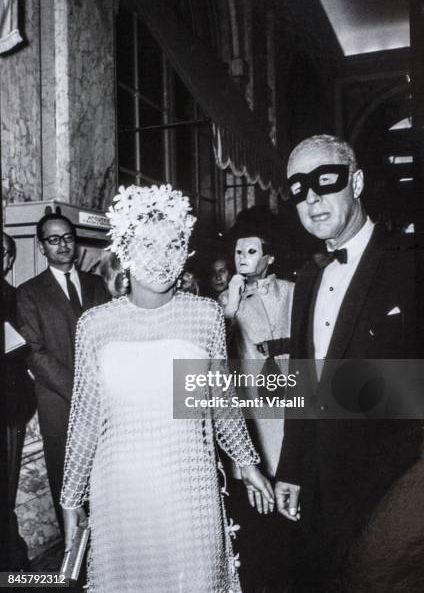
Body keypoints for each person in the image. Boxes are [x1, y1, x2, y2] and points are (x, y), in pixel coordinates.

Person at [60, 184, 274, 593]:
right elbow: (86, 417)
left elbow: (220, 401)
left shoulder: (205, 315)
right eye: (147, 245)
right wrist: (70, 500)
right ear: (125, 247)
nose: (161, 259)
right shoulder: (95, 325)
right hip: (122, 490)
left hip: (187, 484)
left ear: (185, 251)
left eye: (172, 245)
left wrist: (248, 464)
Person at [275, 135, 422, 591]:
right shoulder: (306, 275)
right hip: (320, 492)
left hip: (393, 491)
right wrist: (292, 470)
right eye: (299, 188)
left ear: (355, 182)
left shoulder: (410, 262)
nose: (312, 197)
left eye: (326, 181)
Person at [16, 213, 110, 533]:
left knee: (106, 490)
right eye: (53, 239)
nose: (62, 245)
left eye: (68, 237)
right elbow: (33, 353)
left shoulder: (97, 285)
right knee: (68, 493)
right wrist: (81, 392)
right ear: (41, 247)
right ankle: (76, 574)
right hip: (61, 408)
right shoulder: (27, 293)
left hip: (105, 408)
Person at [220, 225, 294, 592]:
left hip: (293, 407)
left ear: (270, 257)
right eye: (238, 252)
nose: (243, 258)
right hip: (251, 416)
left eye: (251, 251)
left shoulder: (295, 294)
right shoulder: (222, 305)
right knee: (258, 517)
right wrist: (230, 303)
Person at [2, 232, 36, 569]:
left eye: (2, 252)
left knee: (3, 493)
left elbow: (25, 352)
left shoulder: (18, 298)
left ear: (10, 260)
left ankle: (12, 569)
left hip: (8, 410)